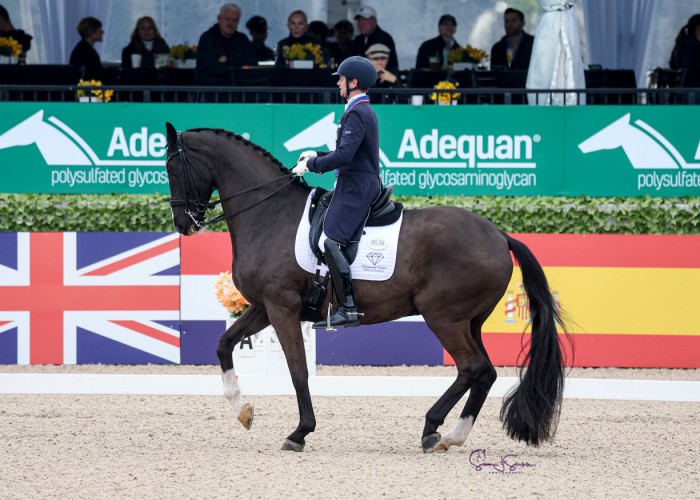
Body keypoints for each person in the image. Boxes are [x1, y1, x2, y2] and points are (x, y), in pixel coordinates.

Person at [292, 56, 380, 330]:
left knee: (329, 240)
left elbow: (344, 155)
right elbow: (346, 153)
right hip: (352, 182)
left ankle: (348, 308)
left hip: (357, 186)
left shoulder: (357, 112)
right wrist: (316, 154)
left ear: (354, 82)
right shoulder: (357, 109)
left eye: (341, 78)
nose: (339, 83)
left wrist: (311, 166)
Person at [195, 3, 258, 86]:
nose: (230, 23)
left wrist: (228, 59)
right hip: (210, 90)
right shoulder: (207, 38)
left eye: (235, 20)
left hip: (238, 91)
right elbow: (212, 67)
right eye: (228, 19)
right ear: (219, 18)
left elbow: (252, 61)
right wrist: (237, 67)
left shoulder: (242, 39)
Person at [349, 5, 399, 73]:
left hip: (383, 81)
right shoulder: (358, 40)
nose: (361, 23)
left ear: (374, 21)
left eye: (365, 19)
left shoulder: (383, 39)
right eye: (359, 20)